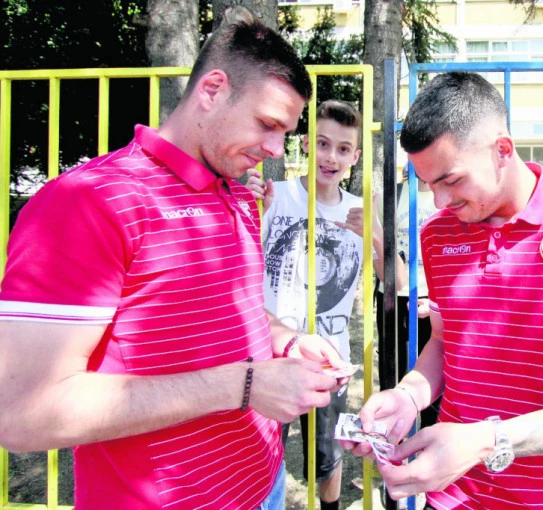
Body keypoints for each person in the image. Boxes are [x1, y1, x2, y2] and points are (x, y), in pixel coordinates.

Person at [0, 19, 349, 510]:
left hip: (263, 485)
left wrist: (288, 340)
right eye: (268, 124)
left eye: (285, 133)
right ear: (212, 90)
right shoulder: (87, 201)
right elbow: (21, 415)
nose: (275, 150)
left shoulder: (236, 194)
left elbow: (237, 311)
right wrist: (245, 386)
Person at [343, 71, 543, 509]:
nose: (440, 201)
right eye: (428, 184)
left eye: (451, 180)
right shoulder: (437, 235)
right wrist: (408, 396)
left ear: (502, 150)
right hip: (455, 497)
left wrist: (487, 441)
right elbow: (445, 343)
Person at [247, 99, 405, 510]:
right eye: (322, 144)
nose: (330, 156)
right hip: (271, 353)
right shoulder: (275, 196)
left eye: (342, 148)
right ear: (306, 144)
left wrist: (375, 235)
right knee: (261, 454)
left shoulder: (359, 208)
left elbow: (400, 282)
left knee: (327, 459)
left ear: (355, 156)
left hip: (329, 359)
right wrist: (251, 209)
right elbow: (236, 263)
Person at [374, 165, 440, 428]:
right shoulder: (391, 196)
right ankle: (392, 437)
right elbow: (377, 250)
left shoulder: (446, 196)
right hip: (393, 295)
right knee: (393, 370)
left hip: (433, 296)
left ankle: (429, 435)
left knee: (433, 375)